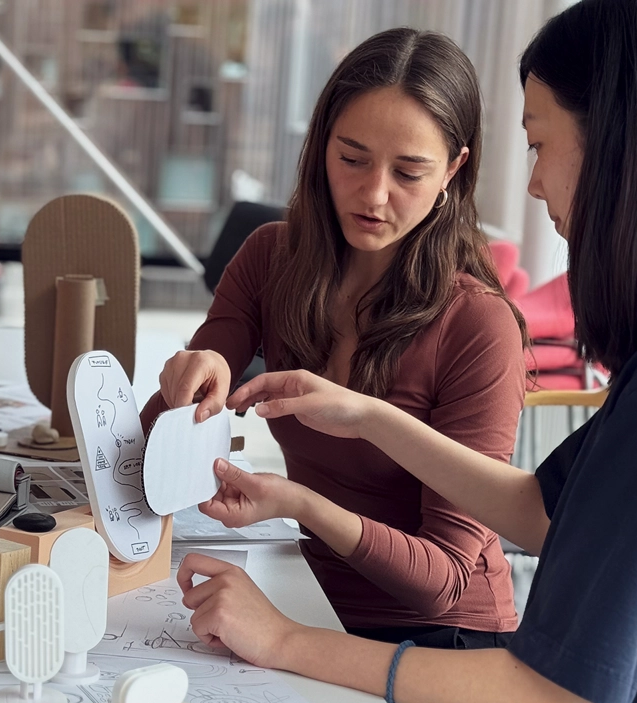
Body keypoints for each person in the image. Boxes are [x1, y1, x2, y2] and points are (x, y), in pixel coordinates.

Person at [177, 0, 637, 703]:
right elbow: (544, 512)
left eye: (538, 144)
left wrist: (283, 639)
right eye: (351, 157)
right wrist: (367, 415)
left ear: (627, 146)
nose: (532, 184)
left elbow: (551, 697)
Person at [144, 26, 529, 667]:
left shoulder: (478, 327)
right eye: (352, 159)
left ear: (454, 170)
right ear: (322, 145)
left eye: (409, 172)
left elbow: (446, 583)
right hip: (313, 606)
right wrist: (194, 372)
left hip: (445, 646)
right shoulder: (271, 256)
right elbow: (176, 417)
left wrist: (297, 504)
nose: (374, 195)